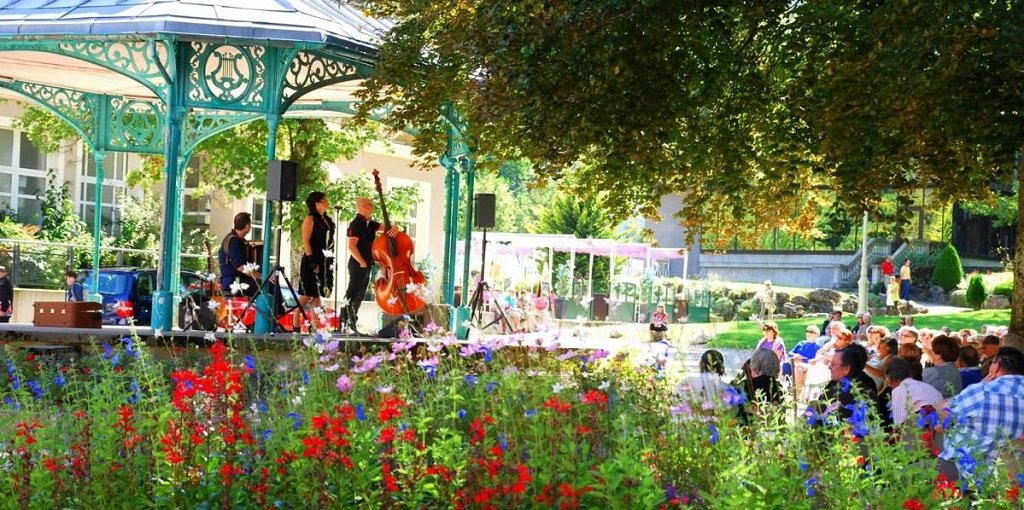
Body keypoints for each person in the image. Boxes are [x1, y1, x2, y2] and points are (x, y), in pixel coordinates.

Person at [938, 347, 1024, 485]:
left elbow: (943, 411)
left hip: (968, 473)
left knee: (905, 478)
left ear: (996, 366)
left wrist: (981, 383)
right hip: (1014, 480)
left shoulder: (983, 391)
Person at [343, 196, 400, 335]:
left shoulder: (371, 224)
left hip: (367, 264)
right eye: (369, 204)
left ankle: (352, 322)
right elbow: (351, 246)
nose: (372, 207)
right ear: (363, 207)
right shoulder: (356, 224)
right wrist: (362, 262)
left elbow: (387, 229)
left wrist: (395, 227)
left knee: (360, 294)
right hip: (358, 264)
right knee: (353, 293)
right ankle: (345, 323)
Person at [299, 192, 336, 331]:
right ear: (317, 202)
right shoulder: (310, 219)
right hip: (312, 258)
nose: (327, 201)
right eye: (324, 199)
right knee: (307, 293)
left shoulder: (325, 219)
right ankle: (296, 320)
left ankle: (314, 327)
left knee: (317, 296)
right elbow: (306, 241)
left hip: (324, 259)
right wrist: (312, 261)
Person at [885, 357, 944, 427]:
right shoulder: (931, 388)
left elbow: (900, 427)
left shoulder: (899, 391)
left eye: (886, 378)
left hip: (917, 434)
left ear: (891, 378)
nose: (888, 383)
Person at [219, 212, 258, 298]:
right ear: (247, 226)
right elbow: (240, 266)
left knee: (267, 286)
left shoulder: (234, 239)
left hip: (233, 280)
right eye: (250, 224)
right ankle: (279, 311)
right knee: (269, 286)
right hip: (234, 281)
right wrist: (260, 276)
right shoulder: (234, 241)